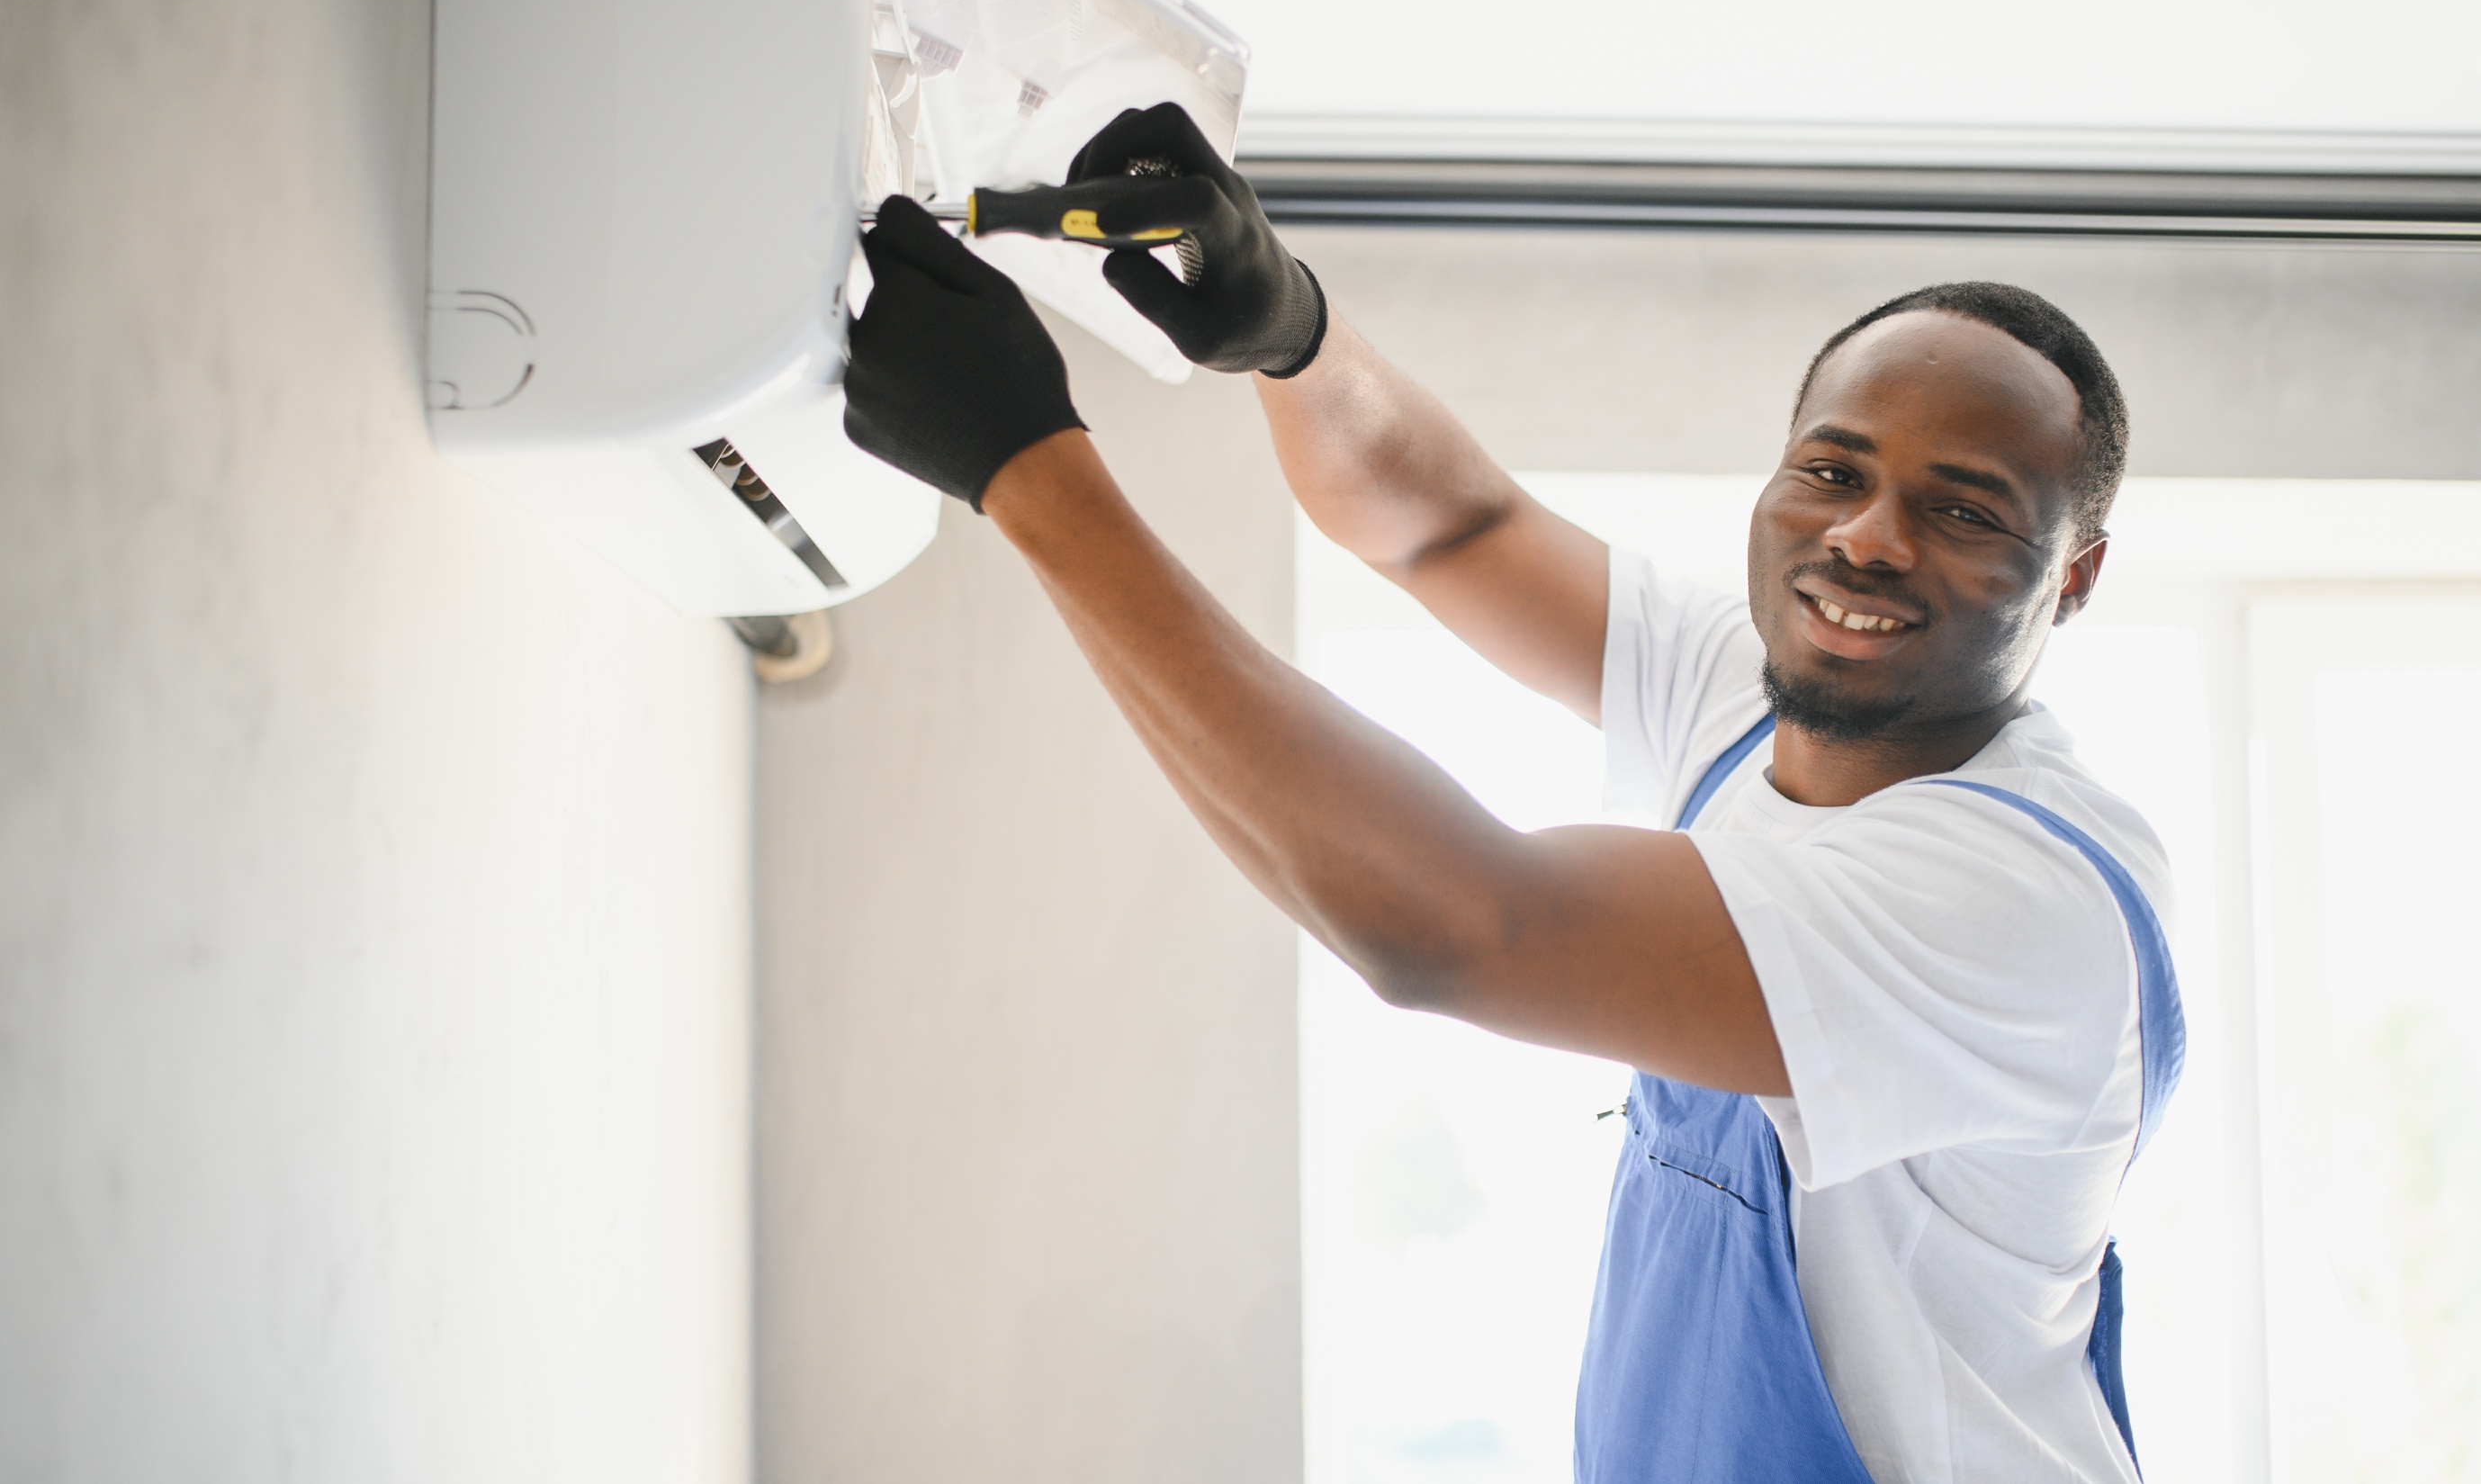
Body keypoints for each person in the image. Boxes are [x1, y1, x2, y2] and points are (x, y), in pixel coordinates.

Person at [841, 103, 2184, 1484]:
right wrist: (1292, 333)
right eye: (1830, 471)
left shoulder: (2021, 907)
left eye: (1961, 510)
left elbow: (1453, 926)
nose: (1864, 538)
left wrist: (1026, 471)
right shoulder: (1760, 693)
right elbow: (1449, 525)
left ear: (2072, 573)